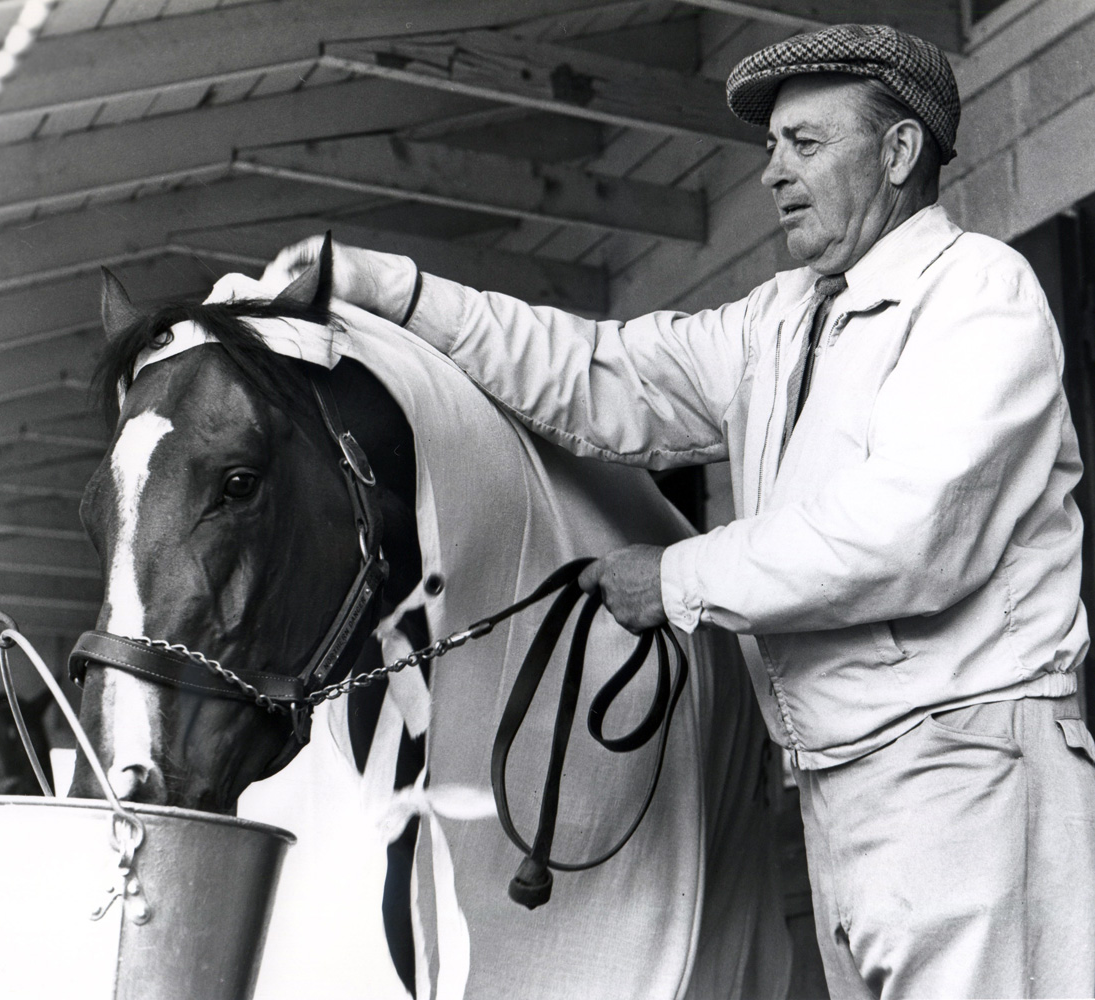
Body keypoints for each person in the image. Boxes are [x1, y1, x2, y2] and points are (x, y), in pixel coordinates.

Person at [268, 23, 1095, 999]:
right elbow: (594, 372)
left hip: (966, 765)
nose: (773, 173)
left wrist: (673, 577)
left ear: (901, 150)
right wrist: (389, 288)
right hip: (844, 779)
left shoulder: (978, 297)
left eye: (808, 143)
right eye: (771, 148)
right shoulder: (781, 321)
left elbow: (903, 537)